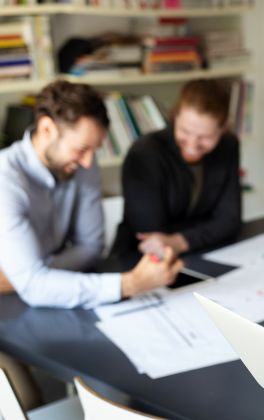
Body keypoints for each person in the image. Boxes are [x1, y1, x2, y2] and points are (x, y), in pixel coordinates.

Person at [0, 80, 182, 410]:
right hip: (6, 319)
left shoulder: (83, 165)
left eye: (93, 151)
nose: (88, 163)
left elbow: (91, 247)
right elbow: (36, 284)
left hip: (35, 298)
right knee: (27, 399)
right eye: (81, 149)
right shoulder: (6, 180)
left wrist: (30, 276)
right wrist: (131, 283)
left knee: (118, 376)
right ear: (46, 128)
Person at [110, 78, 242, 258]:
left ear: (223, 129)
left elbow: (230, 220)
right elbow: (152, 236)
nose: (193, 145)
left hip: (201, 253)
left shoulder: (228, 146)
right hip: (140, 259)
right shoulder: (145, 153)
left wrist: (179, 241)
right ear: (174, 117)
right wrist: (208, 228)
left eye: (205, 137)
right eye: (185, 131)